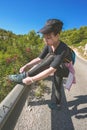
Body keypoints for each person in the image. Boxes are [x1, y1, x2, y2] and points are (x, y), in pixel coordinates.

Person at [8, 19, 76, 109]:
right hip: (58, 66)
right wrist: (27, 65)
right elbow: (39, 58)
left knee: (51, 58)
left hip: (65, 69)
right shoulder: (48, 45)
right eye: (44, 37)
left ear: (57, 36)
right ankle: (58, 104)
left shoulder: (63, 48)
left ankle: (24, 76)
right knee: (57, 84)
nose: (45, 40)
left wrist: (32, 79)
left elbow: (51, 69)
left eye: (48, 37)